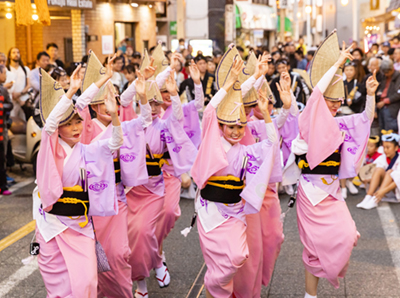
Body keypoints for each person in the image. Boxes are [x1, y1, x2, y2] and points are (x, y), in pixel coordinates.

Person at [290, 35, 378, 297]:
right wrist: (339, 62)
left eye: (340, 101)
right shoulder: (309, 119)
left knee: (349, 235)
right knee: (313, 247)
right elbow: (316, 94)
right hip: (311, 193)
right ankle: (310, 295)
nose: (337, 105)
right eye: (332, 100)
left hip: (333, 192)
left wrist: (370, 95)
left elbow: (365, 120)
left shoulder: (339, 123)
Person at [191, 57, 279, 298]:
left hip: (235, 213)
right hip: (210, 212)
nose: (236, 131)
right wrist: (228, 84)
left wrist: (266, 114)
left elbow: (272, 143)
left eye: (240, 127)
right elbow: (209, 111)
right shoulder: (213, 143)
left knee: (238, 256)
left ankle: (212, 287)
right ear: (221, 127)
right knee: (219, 264)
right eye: (230, 127)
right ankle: (215, 289)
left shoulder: (246, 151)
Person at [34, 65, 123, 297]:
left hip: (80, 226)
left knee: (87, 284)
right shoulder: (49, 151)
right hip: (52, 227)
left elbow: (114, 144)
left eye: (78, 122)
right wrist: (72, 91)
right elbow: (49, 125)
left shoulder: (86, 150)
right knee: (61, 289)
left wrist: (114, 116)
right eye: (68, 124)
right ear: (58, 130)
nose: (75, 128)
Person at [120, 54, 197, 297]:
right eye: (148, 103)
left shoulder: (164, 125)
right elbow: (125, 100)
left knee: (156, 224)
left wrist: (173, 93)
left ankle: (157, 258)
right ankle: (142, 282)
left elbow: (179, 116)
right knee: (136, 238)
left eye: (157, 103)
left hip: (155, 189)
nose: (153, 108)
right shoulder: (130, 126)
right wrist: (145, 80)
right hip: (131, 191)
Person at [78, 51, 153, 298]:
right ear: (95, 105)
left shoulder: (120, 125)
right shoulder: (84, 128)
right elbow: (79, 105)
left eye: (113, 99)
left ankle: (124, 293)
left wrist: (142, 96)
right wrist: (101, 81)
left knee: (120, 253)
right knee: (92, 258)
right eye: (105, 101)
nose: (111, 104)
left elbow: (145, 119)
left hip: (116, 199)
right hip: (88, 203)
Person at [357, 132, 400, 209]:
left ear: (396, 148)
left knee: (390, 172)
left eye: (388, 147)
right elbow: (374, 172)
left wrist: (383, 191)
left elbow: (398, 179)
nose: (385, 150)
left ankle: (375, 199)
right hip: (384, 188)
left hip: (395, 189)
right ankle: (368, 197)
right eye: (384, 147)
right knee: (379, 169)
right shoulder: (382, 157)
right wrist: (368, 179)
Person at [6, 47, 31, 121]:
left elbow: (28, 85)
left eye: (18, 52)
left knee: (24, 121)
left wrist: (20, 93)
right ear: (10, 56)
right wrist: (14, 95)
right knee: (12, 121)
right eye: (13, 52)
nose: (16, 54)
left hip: (23, 100)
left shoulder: (25, 69)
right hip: (12, 100)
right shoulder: (6, 69)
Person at [376, 59, 400, 132]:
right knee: (382, 129)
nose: (386, 74)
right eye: (384, 72)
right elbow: (381, 88)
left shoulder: (398, 76)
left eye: (387, 72)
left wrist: (385, 101)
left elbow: (398, 94)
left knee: (390, 130)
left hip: (392, 107)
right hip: (381, 106)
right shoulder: (383, 76)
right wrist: (379, 92)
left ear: (392, 69)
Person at [0, 65, 13, 195]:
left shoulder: (3, 90)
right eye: (4, 73)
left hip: (2, 130)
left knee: (2, 159)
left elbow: (10, 104)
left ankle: (3, 186)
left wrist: (2, 106)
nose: (5, 76)